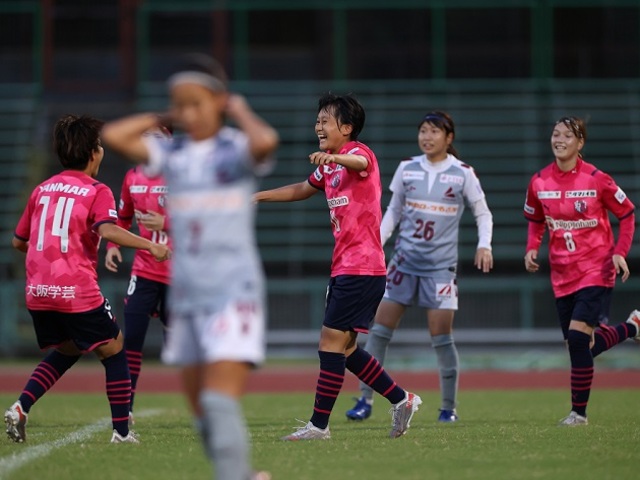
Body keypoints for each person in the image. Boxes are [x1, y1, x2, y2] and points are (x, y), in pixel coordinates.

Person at [101, 54, 278, 480]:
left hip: (234, 291)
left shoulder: (233, 147)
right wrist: (172, 111)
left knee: (218, 403)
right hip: (188, 294)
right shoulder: (173, 154)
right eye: (181, 105)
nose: (188, 113)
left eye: (197, 103)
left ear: (218, 101)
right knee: (202, 416)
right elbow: (112, 134)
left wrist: (234, 108)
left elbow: (266, 142)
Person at [254, 92, 422, 441]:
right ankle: (401, 399)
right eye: (317, 120)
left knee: (329, 344)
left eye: (325, 121)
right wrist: (258, 196)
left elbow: (360, 165)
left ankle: (318, 426)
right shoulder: (330, 165)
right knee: (345, 350)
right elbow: (303, 187)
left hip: (361, 268)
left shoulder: (358, 154)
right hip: (348, 267)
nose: (318, 126)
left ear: (346, 128)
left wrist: (335, 160)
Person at [4, 114, 170, 444]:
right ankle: (122, 433)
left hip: (37, 290)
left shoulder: (42, 189)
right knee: (115, 350)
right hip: (74, 289)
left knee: (68, 349)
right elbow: (108, 229)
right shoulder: (96, 190)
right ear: (94, 152)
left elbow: (19, 241)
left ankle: (21, 406)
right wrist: (151, 244)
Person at [346, 111, 493, 423]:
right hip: (403, 265)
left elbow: (483, 213)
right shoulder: (407, 168)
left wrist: (485, 244)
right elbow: (393, 212)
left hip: (440, 270)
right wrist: (376, 244)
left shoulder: (462, 173)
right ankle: (365, 399)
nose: (427, 137)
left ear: (448, 138)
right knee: (378, 333)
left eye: (434, 132)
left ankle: (448, 408)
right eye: (423, 131)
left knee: (441, 337)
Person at [523, 116, 639, 426]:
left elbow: (627, 214)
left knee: (577, 340)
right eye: (555, 133)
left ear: (580, 143)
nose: (559, 139)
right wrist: (532, 246)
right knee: (581, 346)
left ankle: (579, 414)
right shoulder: (539, 181)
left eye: (567, 135)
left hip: (596, 268)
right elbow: (535, 219)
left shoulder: (597, 179)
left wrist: (619, 253)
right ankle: (632, 327)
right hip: (561, 274)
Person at [105, 130, 171, 425]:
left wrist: (167, 222)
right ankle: (126, 408)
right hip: (144, 270)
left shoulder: (182, 175)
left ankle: (207, 406)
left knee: (187, 345)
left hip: (179, 273)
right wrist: (113, 246)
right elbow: (123, 217)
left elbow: (202, 216)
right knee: (131, 339)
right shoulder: (132, 176)